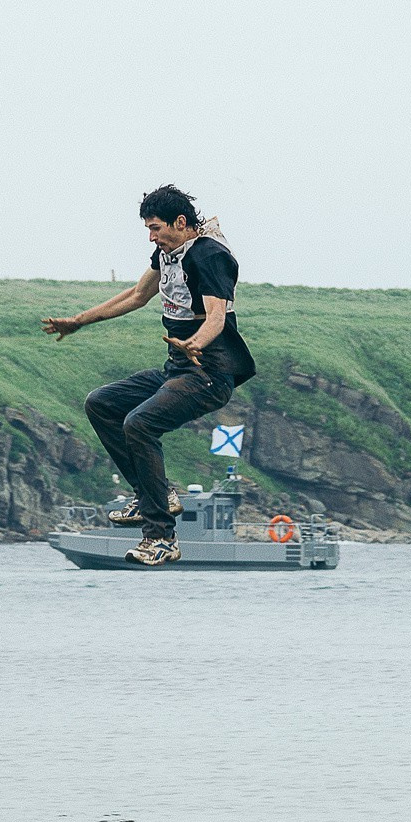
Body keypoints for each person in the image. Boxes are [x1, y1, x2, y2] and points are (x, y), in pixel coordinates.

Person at [41, 185, 256, 566]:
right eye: (148, 229)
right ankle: (153, 495)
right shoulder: (168, 252)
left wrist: (195, 343)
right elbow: (137, 295)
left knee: (139, 424)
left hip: (210, 372)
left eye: (155, 228)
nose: (151, 237)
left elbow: (217, 318)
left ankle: (161, 537)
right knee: (101, 403)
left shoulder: (209, 256)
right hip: (177, 369)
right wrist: (78, 321)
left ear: (180, 222)